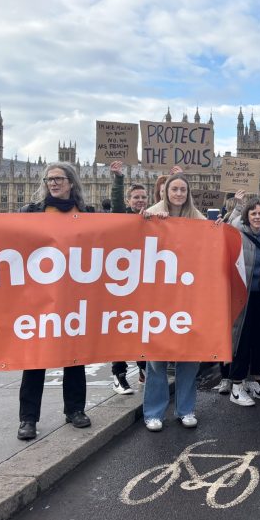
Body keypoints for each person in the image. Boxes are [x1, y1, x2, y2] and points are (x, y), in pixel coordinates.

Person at [16, 162, 95, 441]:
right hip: (39, 297)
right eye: (50, 179)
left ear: (71, 182)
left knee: (74, 356)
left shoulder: (86, 214)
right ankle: (28, 418)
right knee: (35, 358)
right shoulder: (31, 212)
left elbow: (119, 231)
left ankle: (75, 410)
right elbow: (1, 236)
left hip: (74, 296)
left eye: (59, 179)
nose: (54, 183)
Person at [141, 173, 207, 430]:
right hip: (160, 297)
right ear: (165, 191)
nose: (179, 193)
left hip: (189, 296)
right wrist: (144, 221)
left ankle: (186, 409)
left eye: (183, 190)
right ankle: (154, 412)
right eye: (174, 189)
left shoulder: (198, 220)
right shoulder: (151, 216)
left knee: (189, 356)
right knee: (157, 358)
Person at [220, 197, 260, 406]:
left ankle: (256, 381)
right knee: (241, 340)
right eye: (253, 213)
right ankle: (237, 385)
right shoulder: (237, 230)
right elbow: (226, 227)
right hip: (241, 294)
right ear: (247, 216)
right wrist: (238, 205)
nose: (258, 217)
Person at [107, 160, 148, 392]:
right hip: (120, 283)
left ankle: (143, 368)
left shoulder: (153, 219)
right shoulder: (121, 217)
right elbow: (114, 205)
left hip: (143, 284)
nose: (140, 200)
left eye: (143, 197)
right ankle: (119, 375)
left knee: (142, 328)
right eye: (136, 198)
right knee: (120, 330)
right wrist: (118, 179)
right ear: (128, 201)